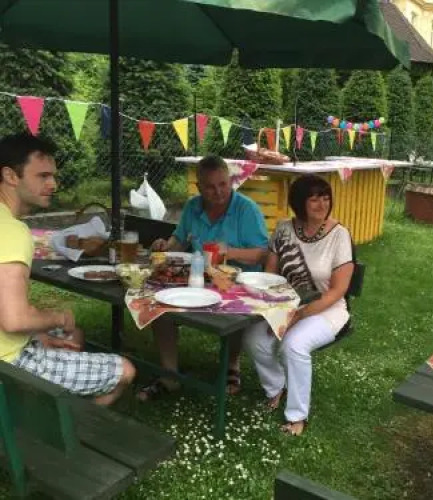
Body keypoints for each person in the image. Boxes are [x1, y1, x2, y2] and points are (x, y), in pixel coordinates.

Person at [0, 133, 135, 405]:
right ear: (10, 176)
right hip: (10, 364)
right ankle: (66, 428)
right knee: (125, 370)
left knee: (75, 336)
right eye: (43, 176)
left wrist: (39, 333)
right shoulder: (12, 231)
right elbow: (14, 320)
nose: (53, 184)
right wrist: (59, 317)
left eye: (53, 176)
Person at [137, 155, 268, 401]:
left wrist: (230, 252)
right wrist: (165, 246)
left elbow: (263, 253)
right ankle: (170, 375)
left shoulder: (246, 209)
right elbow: (179, 240)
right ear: (199, 187)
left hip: (236, 282)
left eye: (223, 184)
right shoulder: (193, 207)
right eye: (210, 187)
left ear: (230, 181)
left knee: (233, 309)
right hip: (199, 278)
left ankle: (231, 366)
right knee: (159, 304)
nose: (218, 192)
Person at [243, 175, 354, 436]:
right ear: (299, 202)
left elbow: (337, 291)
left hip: (327, 308)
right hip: (287, 303)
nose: (322, 204)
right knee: (253, 338)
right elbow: (270, 275)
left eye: (325, 197)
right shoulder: (284, 229)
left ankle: (297, 416)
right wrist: (273, 310)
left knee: (294, 345)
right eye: (314, 199)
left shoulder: (339, 235)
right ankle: (276, 387)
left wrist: (298, 316)